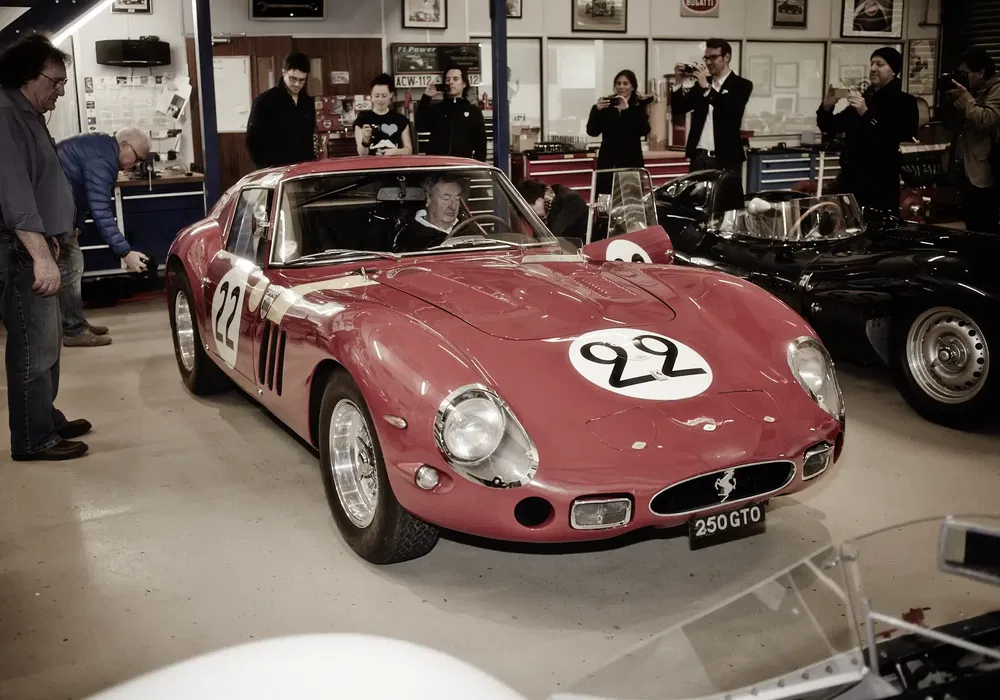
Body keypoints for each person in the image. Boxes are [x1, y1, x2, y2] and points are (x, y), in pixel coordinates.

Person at [0, 35, 91, 461]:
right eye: (56, 83)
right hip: (20, 251)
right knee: (33, 347)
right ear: (29, 76)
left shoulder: (29, 114)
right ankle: (33, 438)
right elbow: (15, 196)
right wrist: (39, 256)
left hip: (39, 243)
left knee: (49, 343)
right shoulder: (5, 115)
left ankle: (44, 416)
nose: (60, 92)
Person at [56, 127, 152, 347]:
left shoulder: (101, 148)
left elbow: (80, 194)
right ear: (125, 145)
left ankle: (73, 322)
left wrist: (77, 226)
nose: (135, 165)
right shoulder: (103, 159)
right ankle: (73, 330)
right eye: (137, 159)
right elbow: (100, 209)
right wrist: (125, 252)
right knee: (71, 268)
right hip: (52, 210)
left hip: (58, 209)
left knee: (70, 267)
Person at [817, 47, 918, 212]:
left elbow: (901, 134)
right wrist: (827, 107)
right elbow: (830, 127)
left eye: (880, 64)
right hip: (850, 179)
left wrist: (867, 114)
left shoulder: (905, 102)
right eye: (871, 64)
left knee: (877, 230)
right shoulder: (866, 98)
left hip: (880, 181)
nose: (873, 68)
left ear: (893, 70)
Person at [671, 39, 754, 175]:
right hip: (699, 157)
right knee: (696, 195)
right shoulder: (702, 84)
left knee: (724, 196)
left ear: (726, 57)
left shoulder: (742, 85)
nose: (708, 62)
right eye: (706, 58)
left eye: (713, 57)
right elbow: (679, 109)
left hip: (726, 159)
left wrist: (706, 89)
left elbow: (730, 111)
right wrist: (678, 81)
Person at [943, 48, 1000, 234]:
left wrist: (965, 98)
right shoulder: (971, 91)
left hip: (986, 169)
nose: (962, 78)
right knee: (970, 224)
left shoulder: (996, 88)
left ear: (982, 72)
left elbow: (986, 119)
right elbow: (953, 125)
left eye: (965, 74)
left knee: (985, 226)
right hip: (966, 167)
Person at [245, 52, 316, 169]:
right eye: (293, 79)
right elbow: (252, 141)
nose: (297, 84)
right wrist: (266, 168)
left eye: (302, 80)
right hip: (275, 170)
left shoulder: (308, 103)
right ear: (284, 72)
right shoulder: (264, 101)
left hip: (304, 170)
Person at [586, 69, 651, 193]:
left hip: (631, 163)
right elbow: (592, 131)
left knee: (631, 202)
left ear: (632, 86)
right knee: (605, 202)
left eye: (625, 83)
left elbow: (643, 130)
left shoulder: (639, 105)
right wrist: (596, 110)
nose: (621, 87)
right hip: (608, 162)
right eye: (618, 83)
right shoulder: (607, 105)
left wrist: (627, 111)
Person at [416, 65, 487, 162]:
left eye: (456, 79)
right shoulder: (437, 109)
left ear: (464, 84)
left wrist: (476, 167)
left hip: (461, 168)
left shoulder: (473, 111)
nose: (451, 82)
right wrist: (426, 97)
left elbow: (481, 145)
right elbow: (420, 126)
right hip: (436, 168)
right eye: (448, 80)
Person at [395, 175, 465, 253]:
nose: (453, 207)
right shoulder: (408, 237)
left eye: (457, 199)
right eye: (446, 199)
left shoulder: (469, 228)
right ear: (428, 199)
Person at [355, 73, 413, 156]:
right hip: (371, 167)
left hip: (394, 166)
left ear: (391, 95)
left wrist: (394, 152)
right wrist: (365, 140)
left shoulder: (401, 119)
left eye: (384, 96)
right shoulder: (362, 119)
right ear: (371, 95)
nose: (380, 99)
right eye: (377, 96)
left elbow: (409, 150)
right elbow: (362, 154)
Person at [516, 178, 589, 239]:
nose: (531, 214)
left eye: (531, 209)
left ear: (538, 199)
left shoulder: (571, 200)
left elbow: (553, 238)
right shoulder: (549, 202)